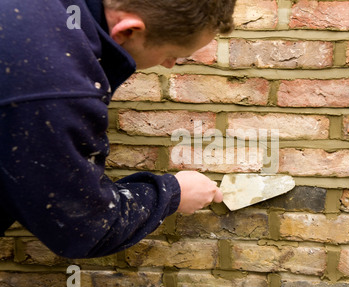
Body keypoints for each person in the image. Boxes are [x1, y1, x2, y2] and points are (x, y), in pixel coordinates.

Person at [0, 0, 236, 258]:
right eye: (172, 55)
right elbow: (83, 227)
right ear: (127, 31)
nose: (170, 65)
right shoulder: (56, 88)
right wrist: (173, 193)